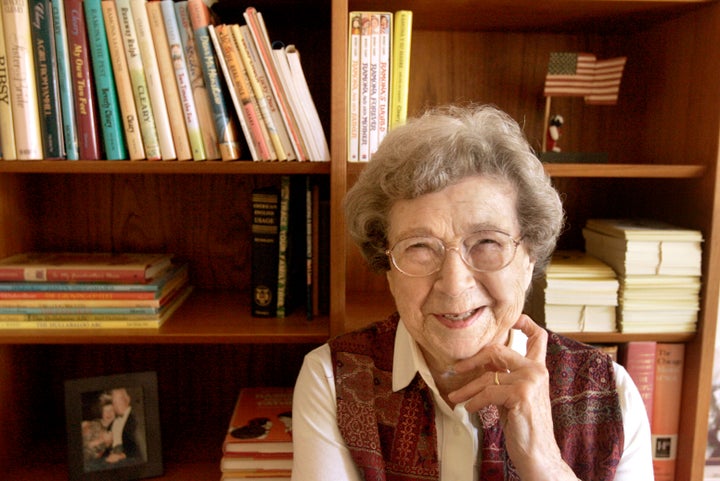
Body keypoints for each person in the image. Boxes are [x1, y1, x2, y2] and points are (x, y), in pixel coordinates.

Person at [291, 104, 653, 480]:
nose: (454, 283)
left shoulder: (611, 395)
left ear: (529, 256)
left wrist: (544, 461)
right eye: (419, 247)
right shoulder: (334, 380)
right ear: (387, 268)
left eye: (486, 242)